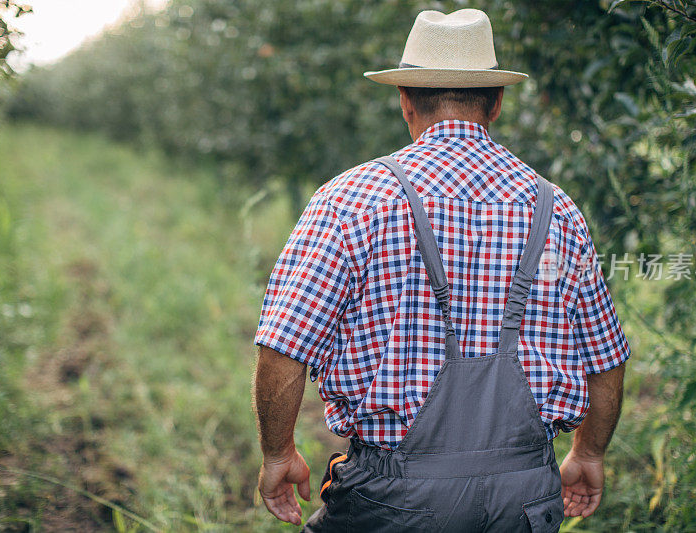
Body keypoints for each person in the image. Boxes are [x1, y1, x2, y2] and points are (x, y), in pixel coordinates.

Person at [253, 8, 629, 532]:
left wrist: (278, 454)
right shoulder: (556, 208)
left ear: (405, 100)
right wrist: (589, 453)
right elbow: (606, 356)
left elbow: (285, 346)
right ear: (496, 103)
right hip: (523, 495)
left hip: (392, 495)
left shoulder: (352, 198)